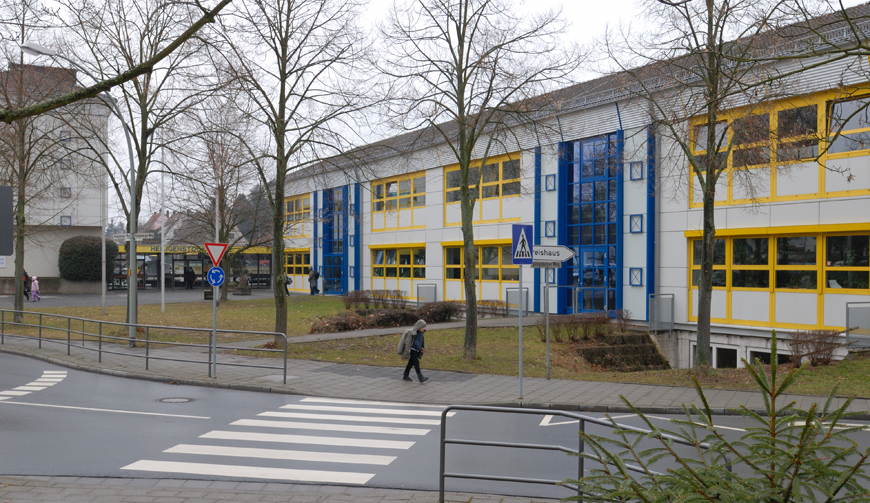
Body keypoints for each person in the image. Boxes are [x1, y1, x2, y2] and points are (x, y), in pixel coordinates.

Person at [399, 319, 428, 383]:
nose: (424, 328)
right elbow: (408, 341)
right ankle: (420, 376)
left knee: (411, 363)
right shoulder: (413, 333)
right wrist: (408, 348)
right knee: (416, 363)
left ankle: (405, 374)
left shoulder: (421, 334)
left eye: (424, 327)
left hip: (417, 350)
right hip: (412, 350)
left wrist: (422, 348)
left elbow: (421, 342)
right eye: (422, 327)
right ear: (419, 327)